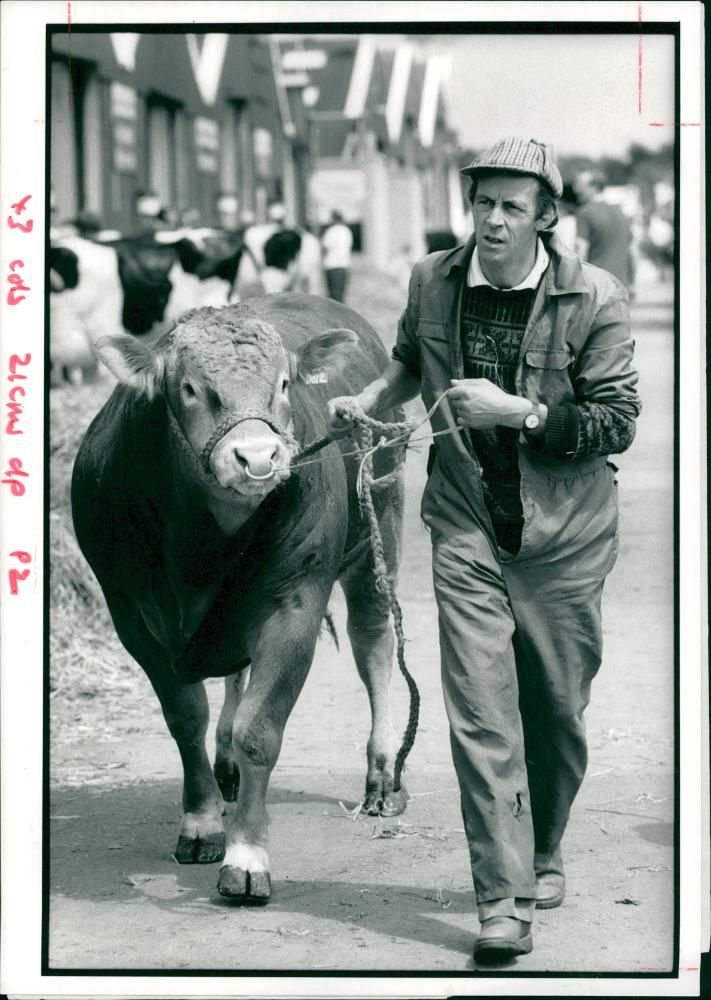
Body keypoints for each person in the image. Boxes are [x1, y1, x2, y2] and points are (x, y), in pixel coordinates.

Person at [327, 137, 640, 965]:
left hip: (566, 538)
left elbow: (616, 423)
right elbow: (407, 359)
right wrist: (371, 395)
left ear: (545, 216)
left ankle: (543, 849)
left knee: (556, 714)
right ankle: (500, 901)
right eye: (483, 204)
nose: (493, 220)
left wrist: (522, 413)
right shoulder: (432, 278)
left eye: (511, 206)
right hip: (464, 522)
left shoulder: (594, 296)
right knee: (481, 716)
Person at [573, 169, 635, 291]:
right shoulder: (621, 212)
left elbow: (581, 250)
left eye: (580, 185)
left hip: (597, 288)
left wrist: (576, 286)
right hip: (621, 286)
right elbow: (631, 253)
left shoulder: (585, 212)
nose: (576, 190)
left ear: (594, 187)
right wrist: (632, 283)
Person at [321, 210, 353, 302]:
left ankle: (334, 315)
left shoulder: (332, 231)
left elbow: (325, 247)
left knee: (333, 295)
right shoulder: (347, 231)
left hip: (332, 265)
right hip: (344, 265)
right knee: (340, 294)